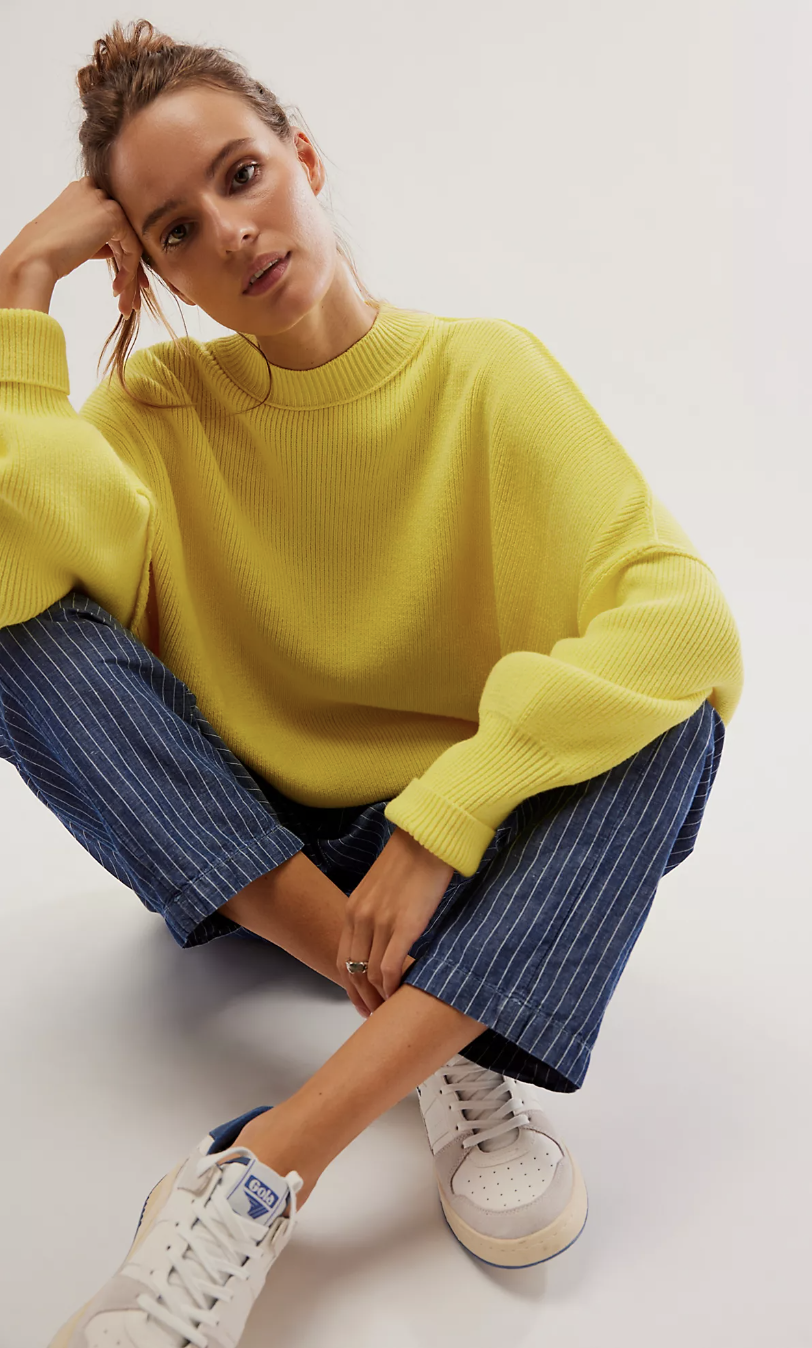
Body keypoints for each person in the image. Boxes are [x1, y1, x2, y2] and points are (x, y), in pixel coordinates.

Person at [0, 18, 744, 1348]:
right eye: (173, 229)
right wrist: (19, 285)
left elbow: (684, 618)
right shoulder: (156, 416)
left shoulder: (480, 375)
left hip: (449, 861)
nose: (228, 233)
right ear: (149, 264)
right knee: (18, 631)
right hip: (247, 850)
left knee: (672, 722)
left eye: (240, 176)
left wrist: (444, 819)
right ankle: (440, 1021)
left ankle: (265, 1166)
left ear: (306, 157)